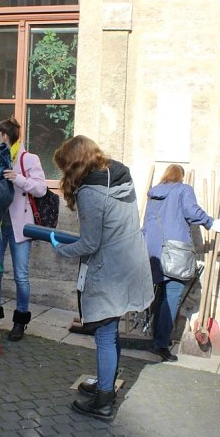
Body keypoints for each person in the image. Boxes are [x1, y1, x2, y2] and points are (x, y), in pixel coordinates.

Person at [50, 135, 154, 420]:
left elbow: (90, 244)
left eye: (64, 168)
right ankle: (105, 383)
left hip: (110, 271)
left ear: (74, 164)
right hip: (131, 263)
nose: (63, 175)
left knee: (105, 334)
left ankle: (103, 402)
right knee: (111, 328)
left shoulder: (90, 193)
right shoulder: (120, 175)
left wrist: (61, 249)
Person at [142, 164, 220, 362]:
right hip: (175, 252)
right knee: (172, 297)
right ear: (181, 176)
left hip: (153, 251)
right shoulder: (183, 190)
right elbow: (192, 212)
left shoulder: (153, 194)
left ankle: (156, 339)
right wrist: (211, 222)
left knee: (160, 296)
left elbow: (146, 225)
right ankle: (161, 345)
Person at [0, 118, 47, 341]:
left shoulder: (29, 159)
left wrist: (17, 178)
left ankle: (20, 321)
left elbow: (41, 189)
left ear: (4, 137)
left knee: (21, 275)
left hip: (20, 225)